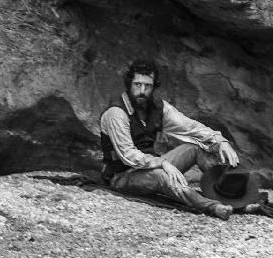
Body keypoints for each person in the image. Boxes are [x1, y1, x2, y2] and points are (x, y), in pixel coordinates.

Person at [99, 58, 257, 219]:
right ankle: (213, 207)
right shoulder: (116, 113)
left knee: (194, 148)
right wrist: (162, 163)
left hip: (152, 165)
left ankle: (230, 196)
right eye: (137, 84)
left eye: (148, 86)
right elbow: (128, 155)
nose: (142, 91)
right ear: (128, 84)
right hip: (121, 176)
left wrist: (220, 140)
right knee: (162, 176)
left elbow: (190, 127)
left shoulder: (158, 108)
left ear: (154, 86)